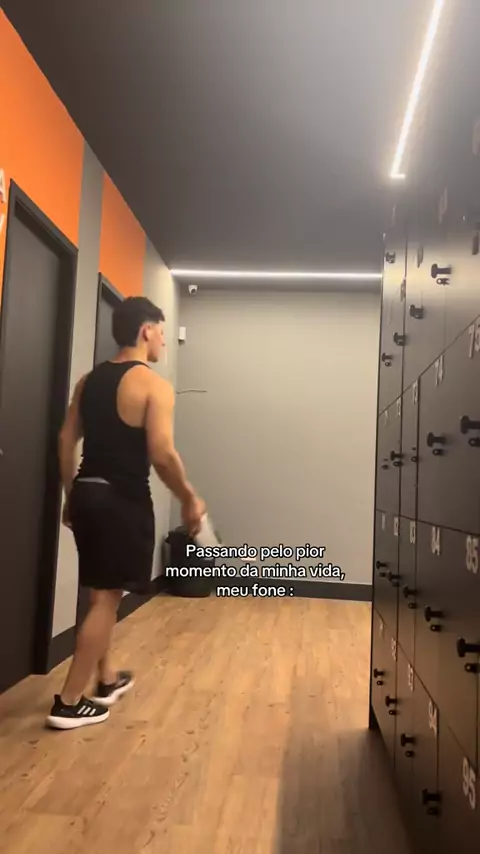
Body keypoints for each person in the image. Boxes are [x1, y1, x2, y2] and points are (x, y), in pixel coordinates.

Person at [46, 296, 205, 730]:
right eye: (161, 332)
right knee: (106, 599)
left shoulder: (89, 381)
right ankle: (68, 702)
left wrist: (71, 495)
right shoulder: (153, 385)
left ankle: (107, 678)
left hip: (88, 492)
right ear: (146, 330)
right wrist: (188, 497)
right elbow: (162, 454)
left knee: (101, 592)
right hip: (123, 500)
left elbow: (66, 440)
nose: (163, 342)